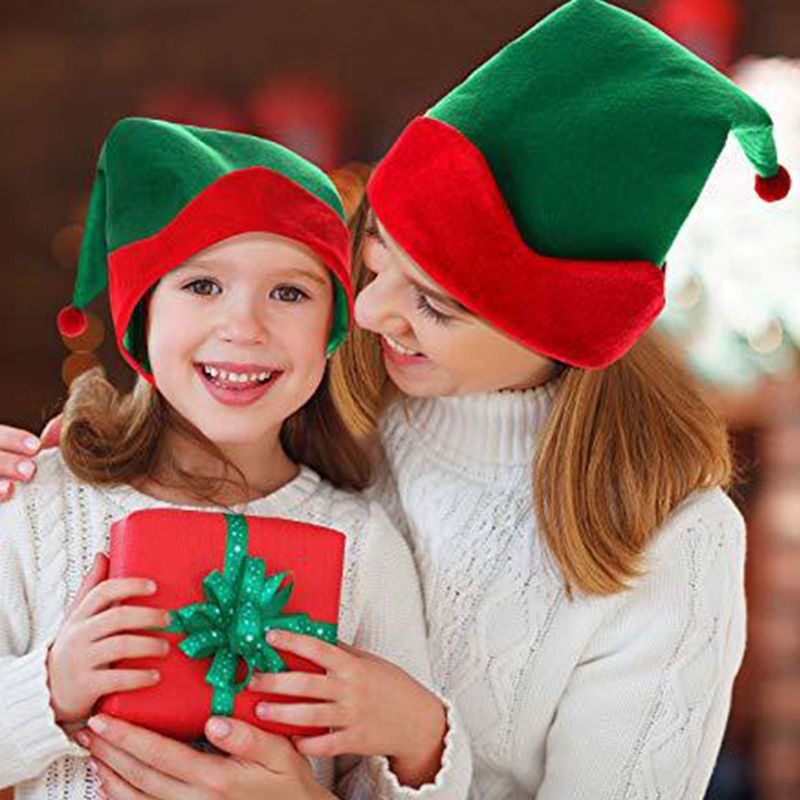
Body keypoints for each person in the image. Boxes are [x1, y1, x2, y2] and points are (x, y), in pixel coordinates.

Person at [0, 1, 792, 798]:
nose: (371, 314)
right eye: (373, 263)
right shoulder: (332, 390)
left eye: (435, 304)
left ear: (560, 334)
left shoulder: (671, 544)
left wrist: (384, 763)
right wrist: (79, 453)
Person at [0, 117, 471, 800]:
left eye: (289, 293)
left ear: (332, 332)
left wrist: (420, 738)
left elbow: (392, 774)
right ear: (142, 316)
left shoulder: (366, 548)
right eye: (202, 286)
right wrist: (48, 687)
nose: (244, 326)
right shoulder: (37, 506)